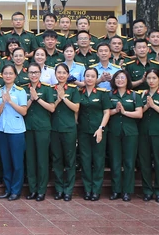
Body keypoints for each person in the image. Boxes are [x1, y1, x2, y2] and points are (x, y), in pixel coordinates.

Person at [106, 70, 142, 202]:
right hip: (114, 131)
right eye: (117, 78)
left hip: (130, 132)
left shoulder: (134, 95)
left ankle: (127, 191)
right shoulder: (109, 95)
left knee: (129, 162)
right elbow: (105, 112)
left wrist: (124, 112)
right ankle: (116, 190)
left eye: (123, 78)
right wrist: (115, 111)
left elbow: (139, 114)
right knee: (115, 162)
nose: (120, 80)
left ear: (127, 80)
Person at [138, 68, 159, 203]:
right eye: (149, 78)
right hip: (144, 133)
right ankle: (147, 190)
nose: (151, 81)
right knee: (145, 163)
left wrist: (154, 106)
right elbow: (139, 113)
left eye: (154, 78)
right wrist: (147, 106)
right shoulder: (141, 94)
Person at [77, 67, 111, 201]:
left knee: (98, 160)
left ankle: (96, 190)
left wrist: (101, 128)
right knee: (85, 160)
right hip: (83, 131)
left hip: (99, 131)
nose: (89, 78)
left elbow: (107, 112)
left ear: (96, 78)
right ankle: (87, 189)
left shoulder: (102, 93)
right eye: (87, 76)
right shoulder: (80, 92)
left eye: (92, 76)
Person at [22, 64, 55, 202]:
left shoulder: (47, 89)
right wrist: (31, 98)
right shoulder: (24, 88)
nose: (33, 75)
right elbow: (23, 108)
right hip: (28, 127)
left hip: (42, 128)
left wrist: (38, 98)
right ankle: (32, 189)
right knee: (30, 160)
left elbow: (52, 108)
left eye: (36, 72)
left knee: (42, 160)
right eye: (31, 72)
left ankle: (41, 190)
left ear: (40, 73)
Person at [0, 64, 28, 200]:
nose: (8, 76)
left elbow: (24, 111)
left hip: (16, 131)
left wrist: (10, 101)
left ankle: (16, 190)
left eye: (11, 73)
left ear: (15, 75)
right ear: (1, 75)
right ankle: (8, 189)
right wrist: (3, 102)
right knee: (6, 161)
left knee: (17, 162)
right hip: (2, 130)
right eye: (5, 73)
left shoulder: (20, 91)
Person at [51, 63, 81, 201]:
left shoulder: (74, 90)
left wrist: (64, 97)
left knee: (70, 161)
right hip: (54, 128)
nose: (61, 75)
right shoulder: (51, 89)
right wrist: (58, 97)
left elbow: (76, 108)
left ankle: (68, 190)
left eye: (64, 73)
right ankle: (59, 189)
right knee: (57, 160)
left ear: (68, 75)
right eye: (59, 72)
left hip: (69, 129)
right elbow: (50, 107)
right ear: (55, 74)